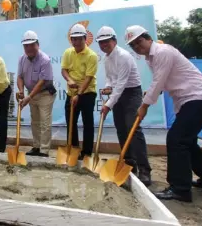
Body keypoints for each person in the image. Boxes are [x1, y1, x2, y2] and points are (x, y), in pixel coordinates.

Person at [126, 25, 202, 202]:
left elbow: (159, 81)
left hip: (198, 97)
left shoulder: (163, 52)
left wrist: (144, 106)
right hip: (191, 100)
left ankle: (180, 189)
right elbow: (161, 82)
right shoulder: (151, 59)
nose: (137, 47)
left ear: (148, 38)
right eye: (133, 46)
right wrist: (152, 92)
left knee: (176, 140)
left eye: (139, 42)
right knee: (188, 142)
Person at [96, 26, 152, 186]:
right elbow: (111, 80)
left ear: (114, 40)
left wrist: (108, 104)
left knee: (133, 129)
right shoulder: (107, 58)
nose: (104, 45)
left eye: (106, 41)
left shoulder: (123, 56)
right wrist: (107, 87)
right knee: (121, 128)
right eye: (101, 43)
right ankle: (129, 163)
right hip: (118, 93)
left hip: (132, 93)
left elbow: (121, 84)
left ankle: (145, 169)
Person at [61, 23, 98, 160]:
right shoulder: (67, 52)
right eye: (73, 39)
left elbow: (88, 78)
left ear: (85, 38)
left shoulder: (91, 56)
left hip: (87, 92)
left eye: (79, 39)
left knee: (87, 123)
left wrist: (79, 94)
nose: (76, 42)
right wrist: (69, 80)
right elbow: (64, 70)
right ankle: (74, 149)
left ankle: (87, 153)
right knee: (71, 122)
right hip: (71, 93)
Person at [17, 30, 56, 157]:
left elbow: (41, 82)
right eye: (26, 46)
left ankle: (44, 150)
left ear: (37, 44)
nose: (29, 48)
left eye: (32, 45)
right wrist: (22, 91)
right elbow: (20, 77)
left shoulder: (45, 60)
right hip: (31, 93)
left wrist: (29, 97)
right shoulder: (22, 59)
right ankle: (36, 146)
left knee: (45, 122)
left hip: (45, 94)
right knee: (35, 122)